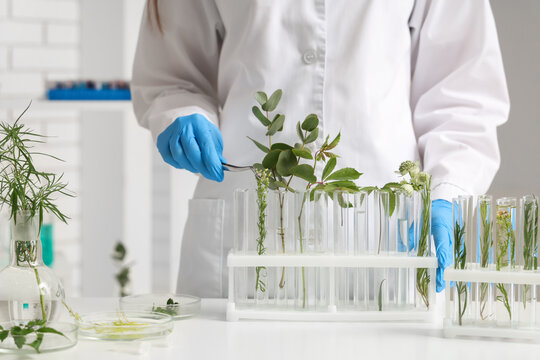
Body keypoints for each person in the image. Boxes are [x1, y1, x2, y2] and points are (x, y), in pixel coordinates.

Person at [132, 0, 509, 298]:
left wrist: (449, 191)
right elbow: (173, 73)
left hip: (384, 232)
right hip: (243, 225)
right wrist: (181, 112)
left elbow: (463, 93)